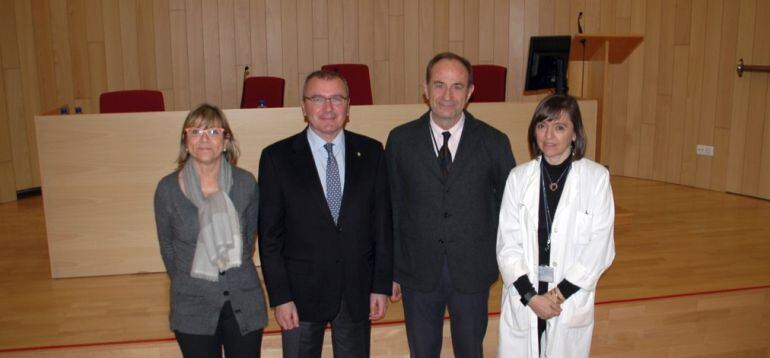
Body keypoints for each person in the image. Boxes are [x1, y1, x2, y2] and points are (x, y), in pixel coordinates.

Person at [385, 52, 516, 357]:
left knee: (470, 350)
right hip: (416, 270)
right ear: (426, 89)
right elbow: (391, 207)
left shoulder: (494, 142)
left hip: (472, 270)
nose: (447, 95)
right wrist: (390, 269)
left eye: (457, 86)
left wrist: (506, 261)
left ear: (470, 92)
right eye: (439, 85)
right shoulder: (400, 140)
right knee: (422, 351)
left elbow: (510, 209)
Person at [258, 70, 393, 358]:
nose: (328, 108)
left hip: (356, 293)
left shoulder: (372, 152)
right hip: (299, 297)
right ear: (303, 107)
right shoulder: (276, 158)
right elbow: (269, 237)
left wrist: (379, 286)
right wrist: (280, 297)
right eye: (318, 99)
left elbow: (382, 225)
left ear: (348, 106)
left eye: (336, 99)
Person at [496, 94, 616, 357]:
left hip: (567, 300)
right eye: (542, 125)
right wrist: (530, 297)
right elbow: (507, 245)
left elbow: (600, 249)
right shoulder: (518, 178)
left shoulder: (596, 179)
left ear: (575, 134)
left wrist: (556, 296)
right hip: (525, 297)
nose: (549, 135)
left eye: (559, 127)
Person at [154, 103, 267, 358]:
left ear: (226, 140)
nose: (204, 139)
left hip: (244, 300)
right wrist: (193, 280)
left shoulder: (246, 184)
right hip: (191, 304)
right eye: (195, 131)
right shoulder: (167, 190)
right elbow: (168, 250)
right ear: (186, 140)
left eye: (214, 132)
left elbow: (248, 242)